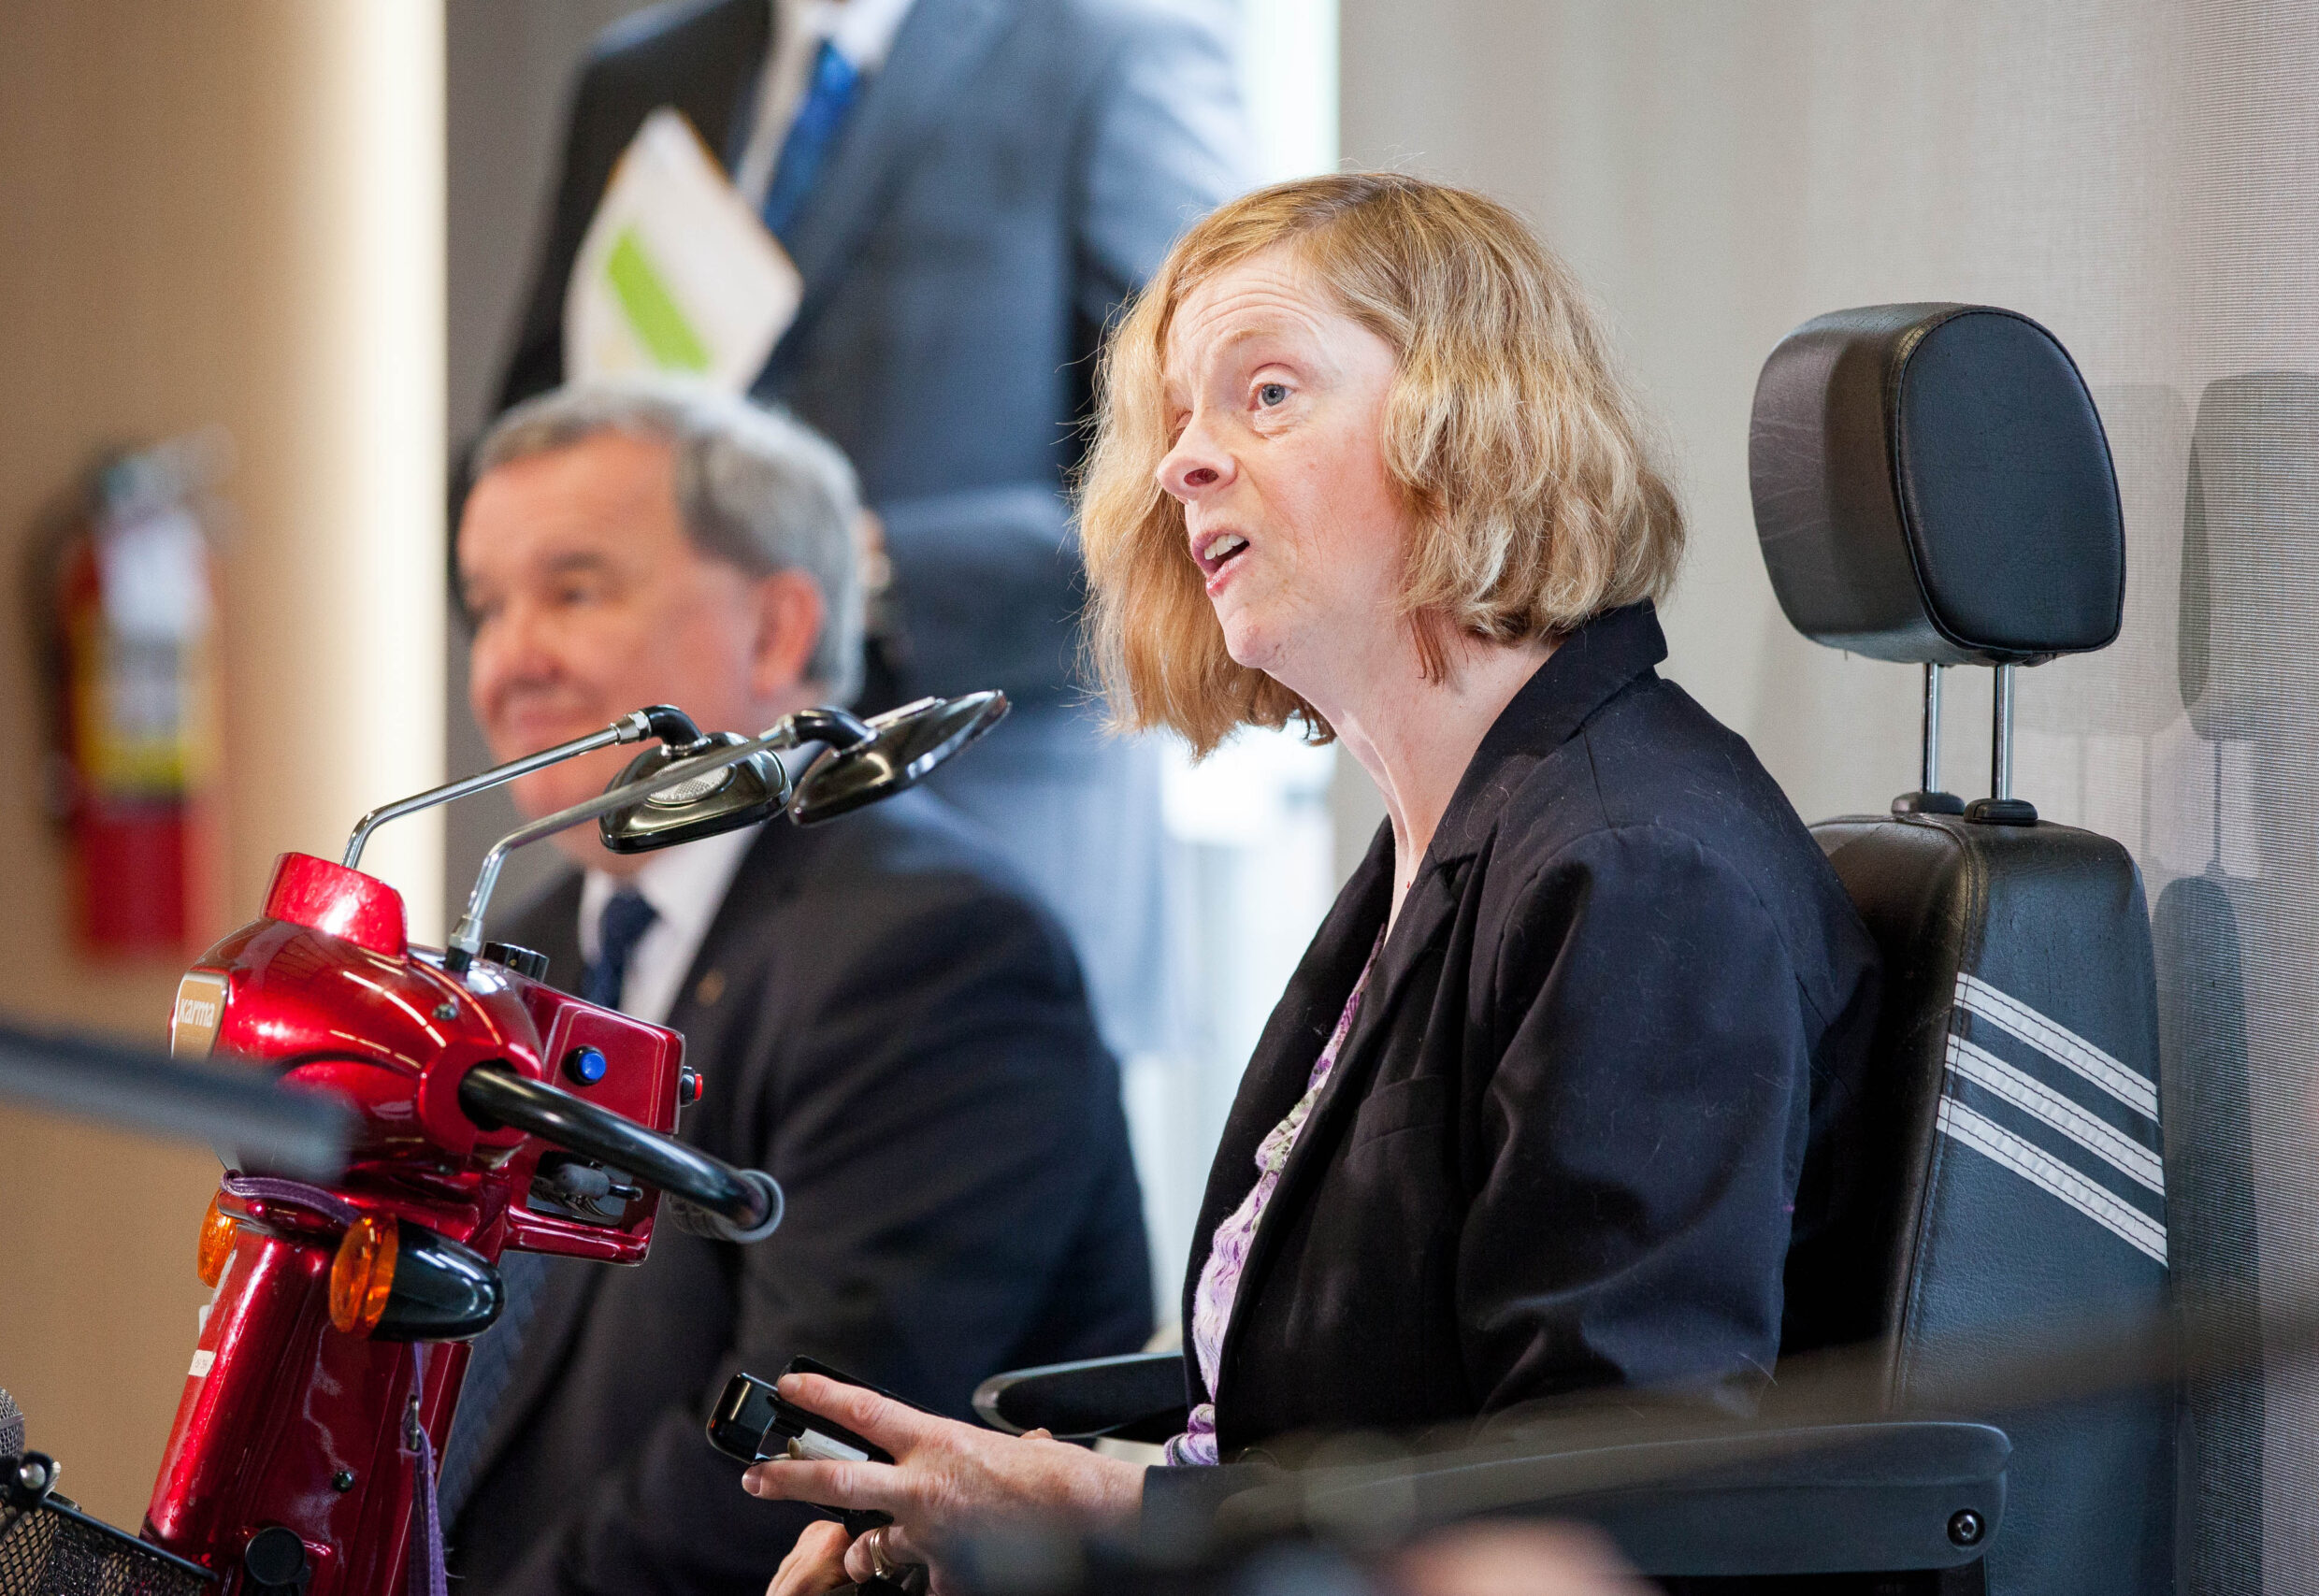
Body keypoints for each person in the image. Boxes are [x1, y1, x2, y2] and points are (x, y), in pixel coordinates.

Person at [743, 173, 1883, 1594]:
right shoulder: (1451, 828)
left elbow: (1591, 1505)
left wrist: (1101, 1509)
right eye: (1179, 421)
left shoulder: (1635, 864)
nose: (1183, 464)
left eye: (1266, 394)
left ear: (1471, 423)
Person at [439, 379, 1154, 1596]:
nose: (510, 662)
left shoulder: (934, 948)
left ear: (776, 630)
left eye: (572, 589)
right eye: (485, 607)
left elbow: (788, 1447)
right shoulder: (529, 936)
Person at [497, 0, 1250, 1057]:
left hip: (977, 856)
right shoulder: (638, 75)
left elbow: (1205, 487)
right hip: (666, 885)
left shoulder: (1109, 52)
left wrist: (870, 573)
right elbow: (518, 448)